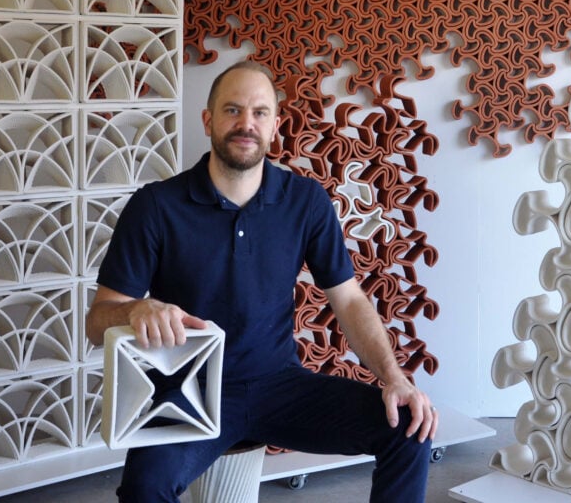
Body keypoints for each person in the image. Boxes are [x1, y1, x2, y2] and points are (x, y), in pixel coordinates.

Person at [85, 60, 437, 503]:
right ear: (208, 120)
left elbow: (347, 299)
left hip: (281, 385)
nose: (245, 124)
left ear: (274, 124)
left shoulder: (305, 200)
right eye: (232, 110)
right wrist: (136, 309)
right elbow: (97, 322)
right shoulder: (155, 206)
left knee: (409, 429)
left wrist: (394, 378)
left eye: (259, 112)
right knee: (144, 488)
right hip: (188, 391)